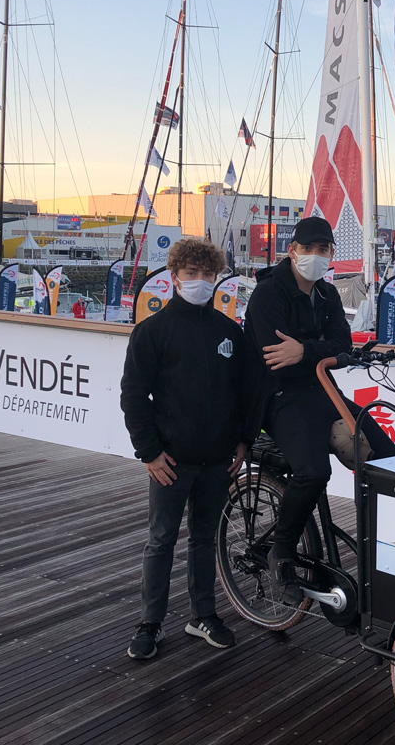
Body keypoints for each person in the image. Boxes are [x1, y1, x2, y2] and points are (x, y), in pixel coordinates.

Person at [244, 216, 395, 605]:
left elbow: (342, 346)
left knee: (390, 462)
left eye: (322, 249)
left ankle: (385, 553)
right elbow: (273, 358)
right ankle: (281, 552)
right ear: (292, 250)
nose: (314, 256)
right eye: (307, 248)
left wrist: (305, 350)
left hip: (322, 392)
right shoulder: (267, 295)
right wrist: (317, 350)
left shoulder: (328, 295)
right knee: (313, 472)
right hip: (279, 398)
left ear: (331, 253)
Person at [120, 238, 255, 660]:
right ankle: (150, 622)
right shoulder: (153, 331)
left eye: (207, 274)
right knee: (161, 541)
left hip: (217, 459)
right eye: (191, 274)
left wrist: (243, 440)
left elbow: (245, 394)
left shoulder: (230, 332)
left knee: (203, 541)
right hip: (170, 461)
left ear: (216, 278)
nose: (199, 281)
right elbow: (133, 396)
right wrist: (149, 453)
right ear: (174, 276)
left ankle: (203, 615)